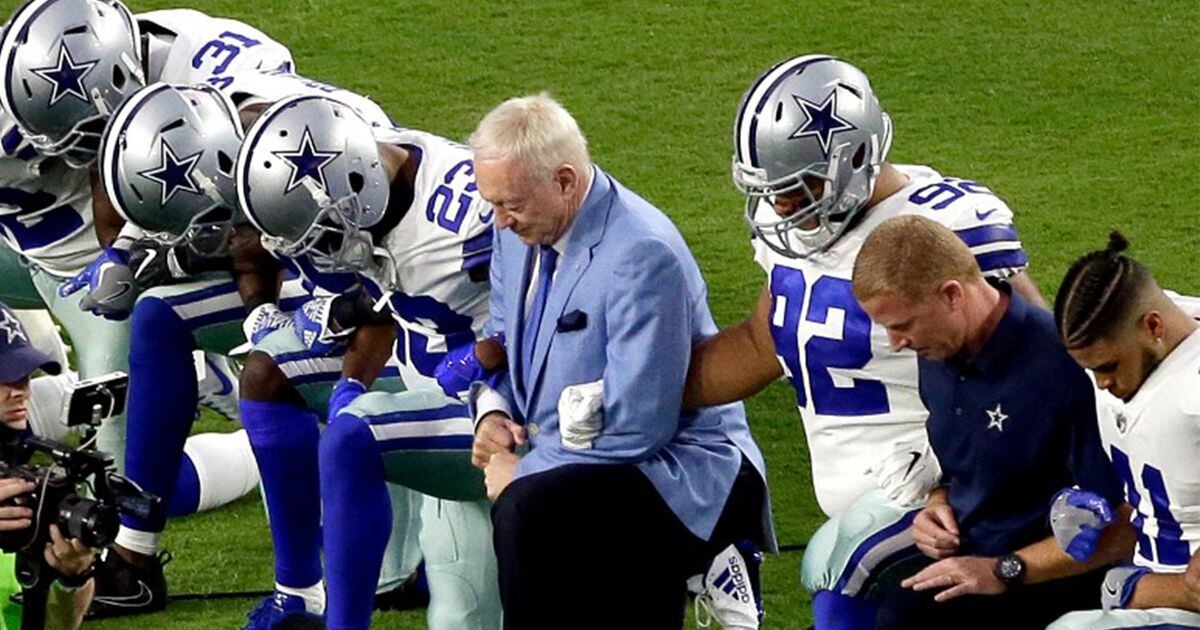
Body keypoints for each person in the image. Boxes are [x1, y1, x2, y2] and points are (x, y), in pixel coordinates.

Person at [681, 54, 1046, 627]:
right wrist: (638, 392)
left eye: (799, 189)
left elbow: (1039, 365)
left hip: (948, 501)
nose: (782, 208)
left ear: (854, 156)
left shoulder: (943, 227)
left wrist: (949, 472)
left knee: (840, 570)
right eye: (773, 191)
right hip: (869, 506)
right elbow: (761, 345)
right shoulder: (800, 234)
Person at [0, 0, 298, 615]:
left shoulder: (229, 77)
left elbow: (261, 231)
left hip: (208, 226)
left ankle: (136, 549)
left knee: (91, 438)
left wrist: (145, 259)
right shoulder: (25, 91)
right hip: (43, 233)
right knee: (54, 433)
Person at [468, 93, 772, 629]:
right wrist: (493, 413)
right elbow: (503, 341)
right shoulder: (519, 231)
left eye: (510, 205)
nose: (499, 221)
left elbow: (639, 424)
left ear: (564, 181)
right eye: (492, 203)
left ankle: (715, 549)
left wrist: (525, 469)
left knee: (527, 511)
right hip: (582, 453)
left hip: (676, 467)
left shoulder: (640, 253)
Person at [233, 90, 501, 629]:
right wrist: (351, 379)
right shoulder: (378, 171)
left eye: (326, 234)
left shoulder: (469, 224)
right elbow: (387, 298)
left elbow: (565, 301)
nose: (320, 255)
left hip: (512, 409)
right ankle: (304, 596)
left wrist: (485, 356)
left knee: (354, 437)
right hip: (436, 385)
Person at [849, 215, 1133, 628]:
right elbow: (965, 465)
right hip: (969, 563)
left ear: (951, 295)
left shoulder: (1064, 369)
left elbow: (1124, 524)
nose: (897, 343)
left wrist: (1003, 570)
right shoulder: (938, 351)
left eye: (902, 325)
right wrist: (937, 504)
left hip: (1054, 582)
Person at [1045, 234, 1200, 629]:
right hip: (1143, 583)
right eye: (1091, 369)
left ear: (1153, 326)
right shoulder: (1142, 324)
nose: (1101, 384)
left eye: (1109, 367)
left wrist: (1142, 586)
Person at [0, 300, 102, 630]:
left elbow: (58, 626)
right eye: (3, 377)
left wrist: (72, 577)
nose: (21, 391)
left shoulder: (22, 485)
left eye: (25, 374)